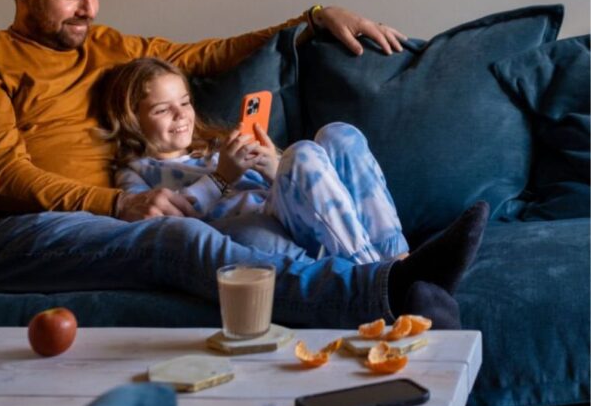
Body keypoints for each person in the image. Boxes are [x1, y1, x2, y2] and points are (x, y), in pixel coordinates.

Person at [0, 0, 488, 329]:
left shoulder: (106, 46)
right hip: (12, 235)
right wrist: (119, 205)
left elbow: (203, 56)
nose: (89, 10)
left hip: (112, 221)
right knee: (178, 237)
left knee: (294, 175)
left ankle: (402, 268)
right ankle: (383, 293)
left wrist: (311, 18)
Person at [105, 56, 409, 264]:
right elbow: (160, 226)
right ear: (132, 119)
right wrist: (221, 178)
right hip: (262, 228)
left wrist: (270, 167)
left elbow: (305, 185)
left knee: (337, 134)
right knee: (302, 152)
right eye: (162, 109)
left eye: (184, 102)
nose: (181, 114)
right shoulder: (137, 172)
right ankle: (372, 275)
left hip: (298, 211)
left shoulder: (216, 144)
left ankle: (399, 260)